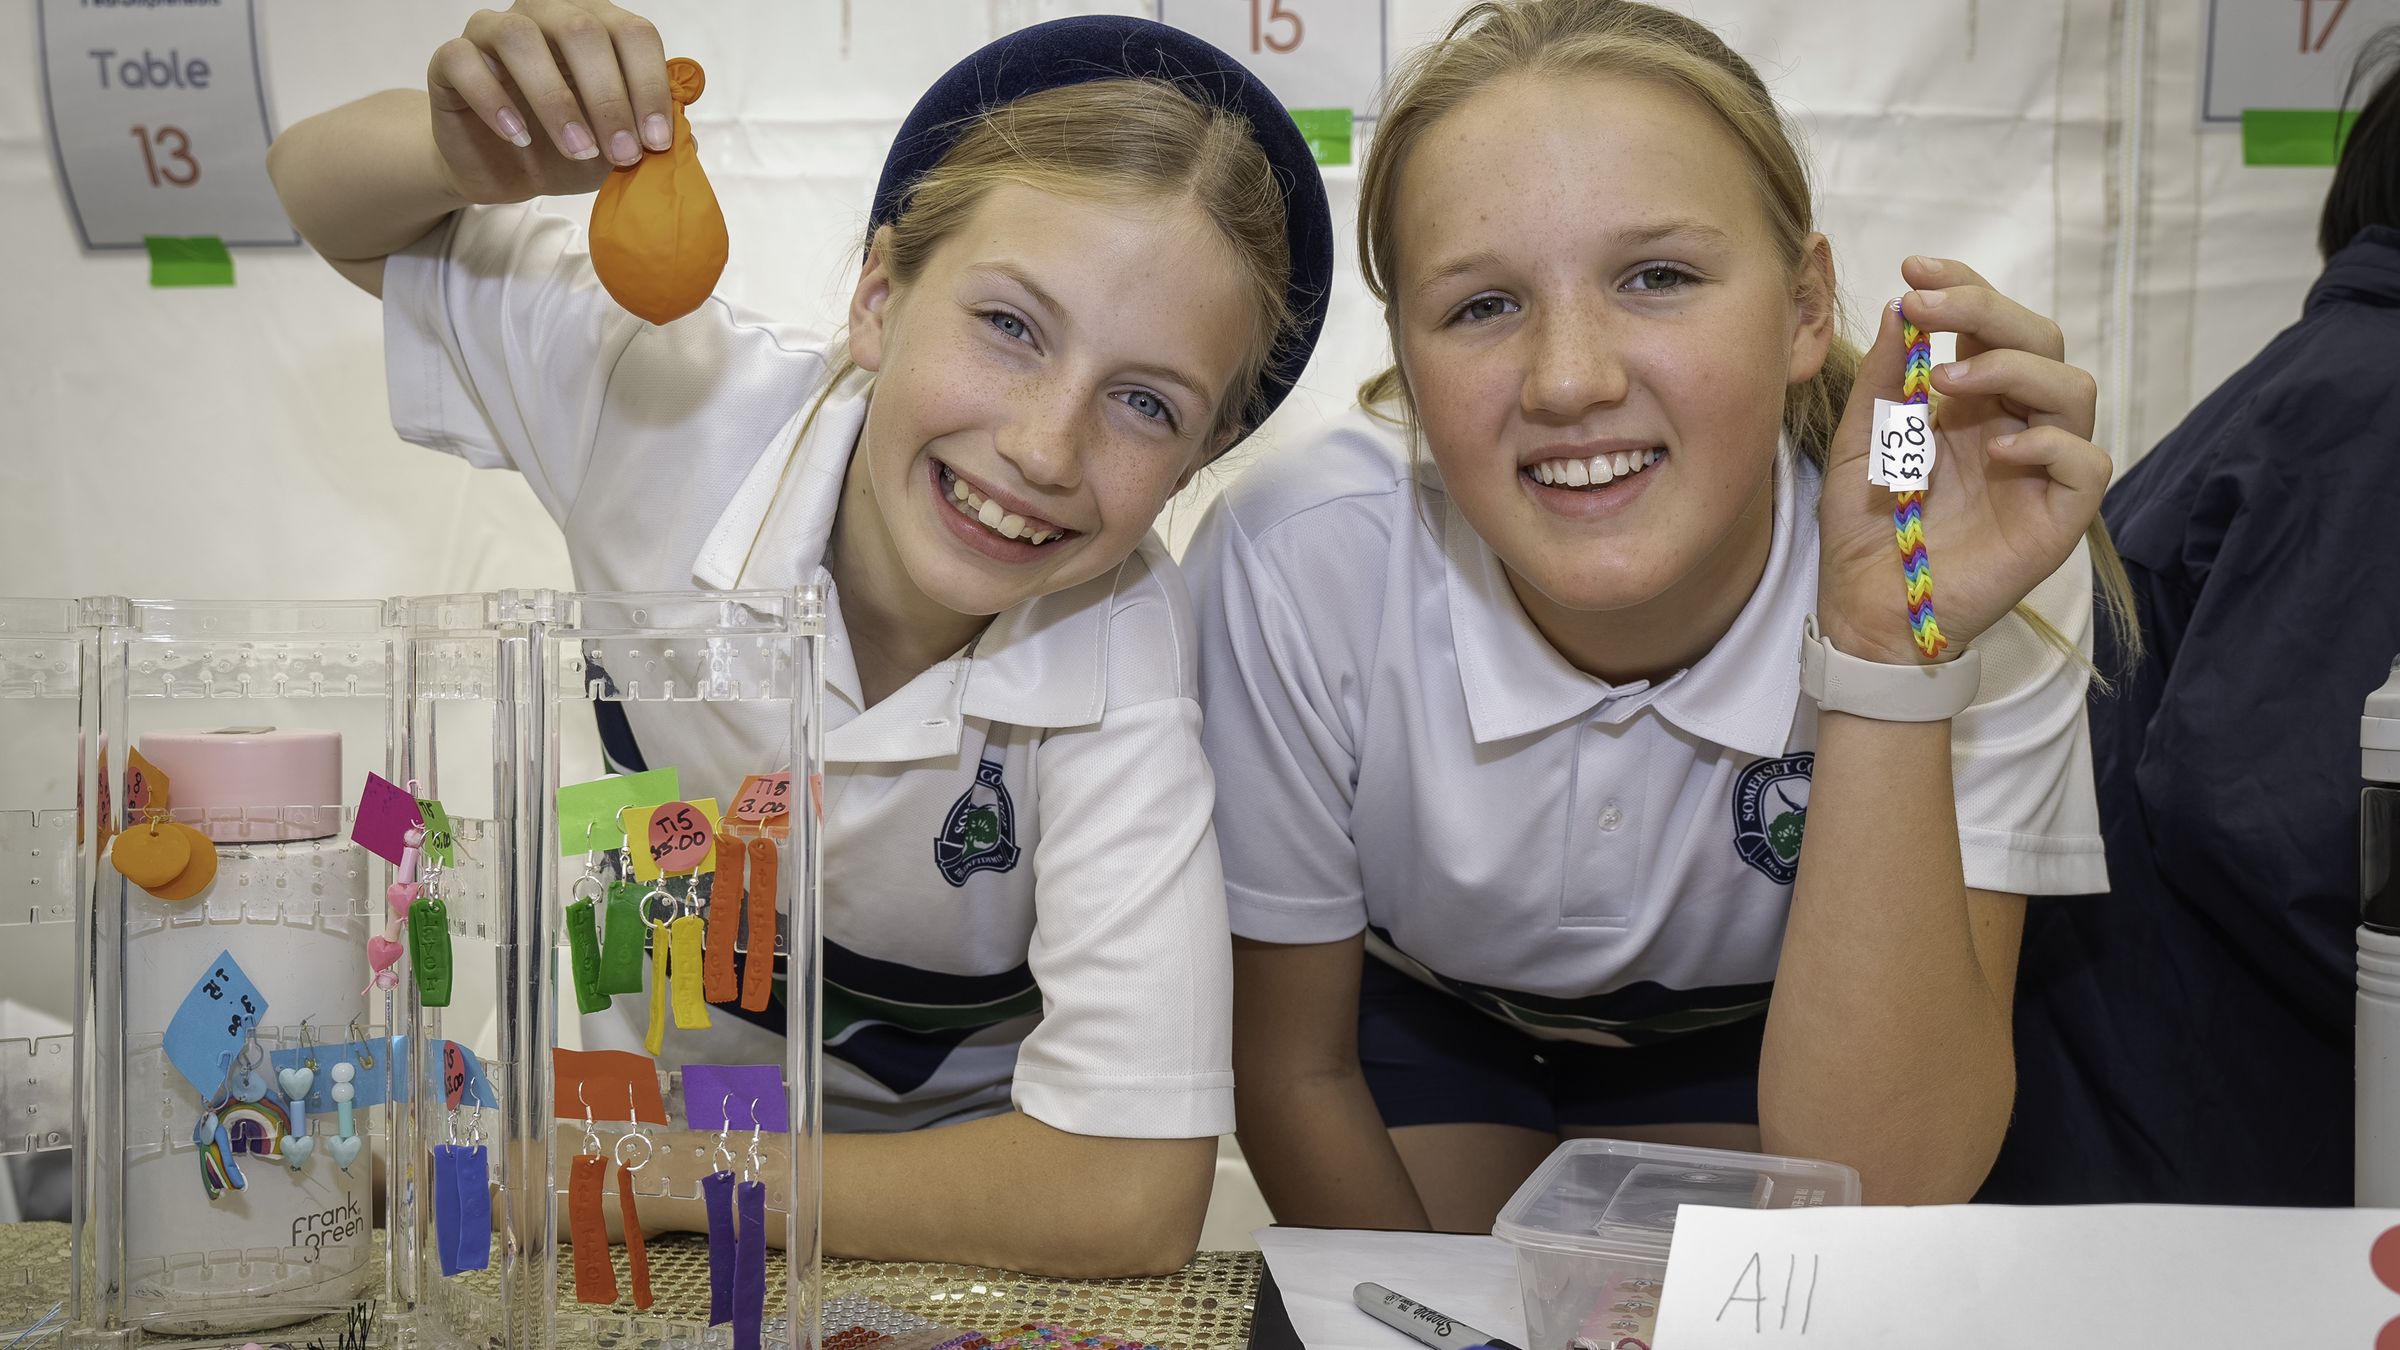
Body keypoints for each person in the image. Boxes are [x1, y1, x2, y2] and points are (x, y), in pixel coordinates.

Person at [267, 2, 1331, 1275]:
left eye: (1146, 403)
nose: (1045, 448)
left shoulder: (1126, 659)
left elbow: (1127, 1197)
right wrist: (462, 151)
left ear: (1198, 460)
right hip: (624, 1214)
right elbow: (321, 193)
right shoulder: (665, 406)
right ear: (878, 297)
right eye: (1010, 326)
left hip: (929, 1248)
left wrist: (636, 1169)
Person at [1188, 0, 2135, 1231]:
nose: (1570, 379)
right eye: (1482, 305)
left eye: (1659, 278)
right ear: (1407, 360)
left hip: (1767, 1029)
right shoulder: (1299, 559)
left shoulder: (1956, 555)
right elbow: (1293, 1071)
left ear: (1806, 310)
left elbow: (1885, 1187)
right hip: (1424, 1012)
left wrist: (1885, 653)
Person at [1982, 28, 2400, 1206]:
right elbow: (2273, 821)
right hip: (2198, 1157)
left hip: (2143, 1126)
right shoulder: (2374, 406)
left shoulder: (2324, 379)